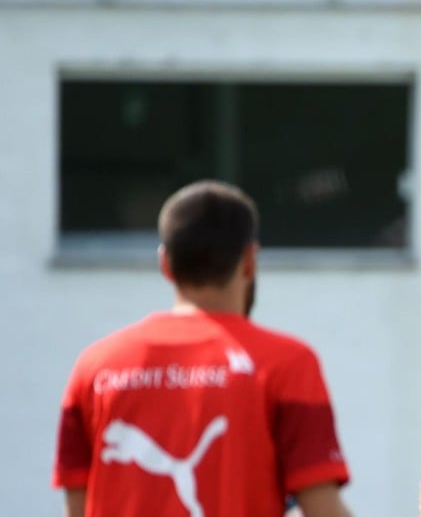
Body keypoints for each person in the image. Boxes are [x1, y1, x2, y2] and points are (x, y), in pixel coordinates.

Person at [52, 180, 354, 517]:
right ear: (250, 260)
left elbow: (75, 509)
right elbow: (322, 509)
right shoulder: (289, 364)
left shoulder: (94, 367)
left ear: (165, 264)